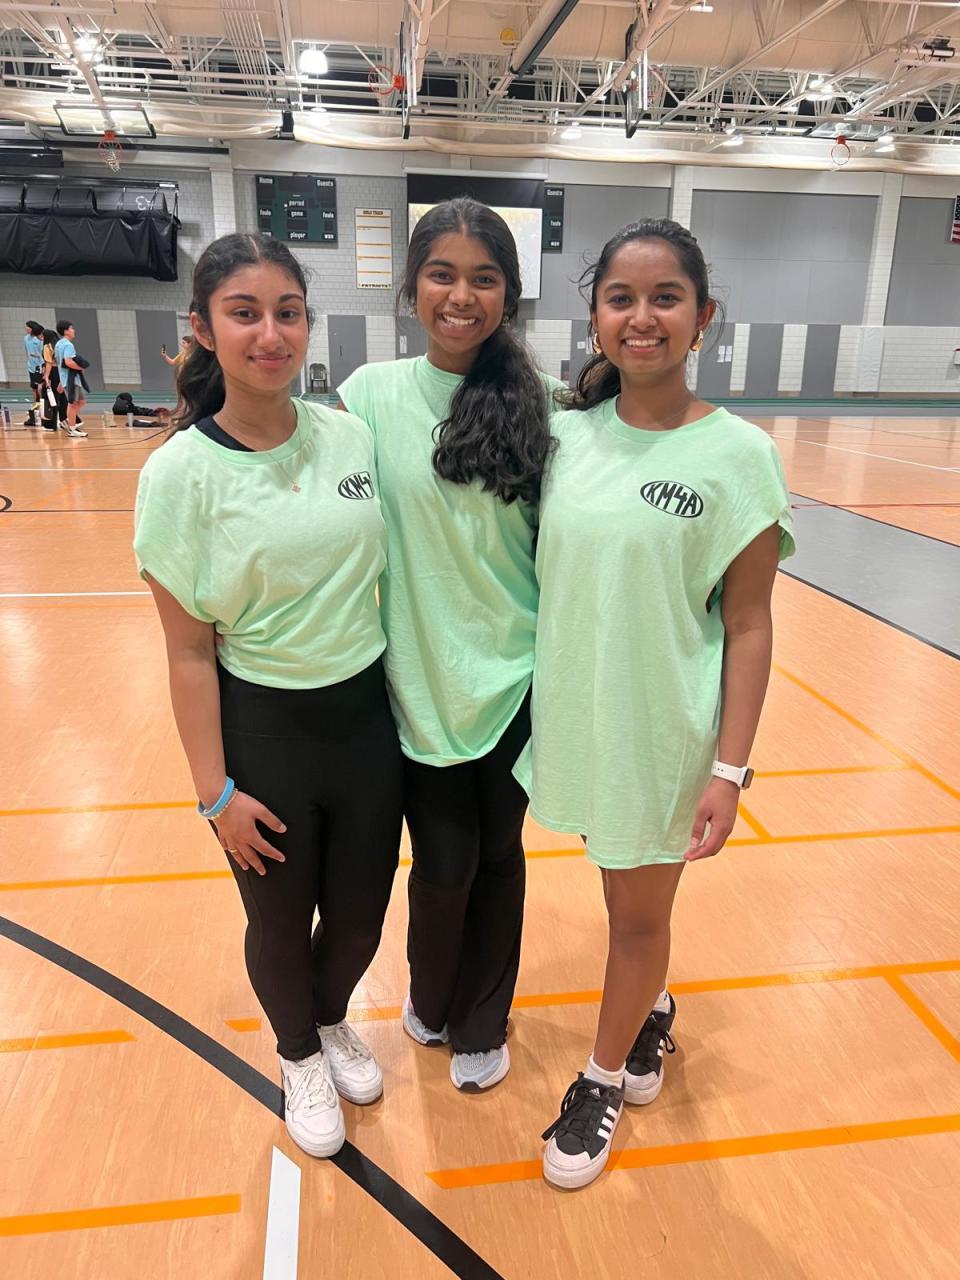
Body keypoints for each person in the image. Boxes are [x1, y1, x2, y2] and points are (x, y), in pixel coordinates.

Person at [525, 219, 795, 1190]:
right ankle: (653, 1007)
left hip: (662, 732)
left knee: (637, 919)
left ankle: (602, 1078)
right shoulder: (561, 436)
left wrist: (730, 769)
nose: (643, 317)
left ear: (703, 315)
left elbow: (750, 623)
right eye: (621, 298)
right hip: (581, 718)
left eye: (666, 297)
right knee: (621, 897)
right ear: (595, 317)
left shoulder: (740, 456)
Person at [134, 233, 403, 1159]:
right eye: (244, 314)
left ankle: (328, 1018)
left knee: (361, 917)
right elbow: (187, 653)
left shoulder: (349, 436)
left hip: (365, 720)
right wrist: (215, 793)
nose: (270, 333)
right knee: (280, 921)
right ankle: (297, 1054)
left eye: (287, 312)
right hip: (265, 730)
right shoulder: (179, 475)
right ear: (203, 330)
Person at [338, 198, 557, 1092]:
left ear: (509, 293)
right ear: (411, 285)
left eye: (483, 278)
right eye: (442, 274)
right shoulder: (368, 396)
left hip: (515, 680)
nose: (461, 296)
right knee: (441, 865)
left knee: (497, 858)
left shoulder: (540, 407)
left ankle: (481, 1020)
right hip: (414, 681)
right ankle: (430, 996)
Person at [54, 320, 87, 437]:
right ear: (66, 331)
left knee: (81, 401)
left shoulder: (58, 344)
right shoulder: (68, 345)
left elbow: (59, 363)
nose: (74, 330)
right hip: (70, 379)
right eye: (71, 328)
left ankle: (69, 421)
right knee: (72, 404)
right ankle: (72, 429)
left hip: (65, 379)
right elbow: (68, 362)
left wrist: (60, 381)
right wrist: (80, 367)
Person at [40, 328, 67, 431]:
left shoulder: (47, 346)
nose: (41, 338)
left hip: (52, 372)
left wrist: (46, 377)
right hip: (60, 371)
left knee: (50, 397)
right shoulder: (59, 346)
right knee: (61, 396)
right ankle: (65, 419)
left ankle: (50, 424)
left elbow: (49, 363)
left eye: (42, 336)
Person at [22, 321, 44, 427]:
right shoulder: (26, 338)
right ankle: (35, 408)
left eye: (28, 327)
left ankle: (42, 408)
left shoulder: (39, 339)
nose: (26, 329)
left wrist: (36, 356)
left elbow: (42, 354)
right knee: (34, 389)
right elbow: (27, 351)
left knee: (40, 389)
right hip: (31, 367)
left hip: (39, 367)